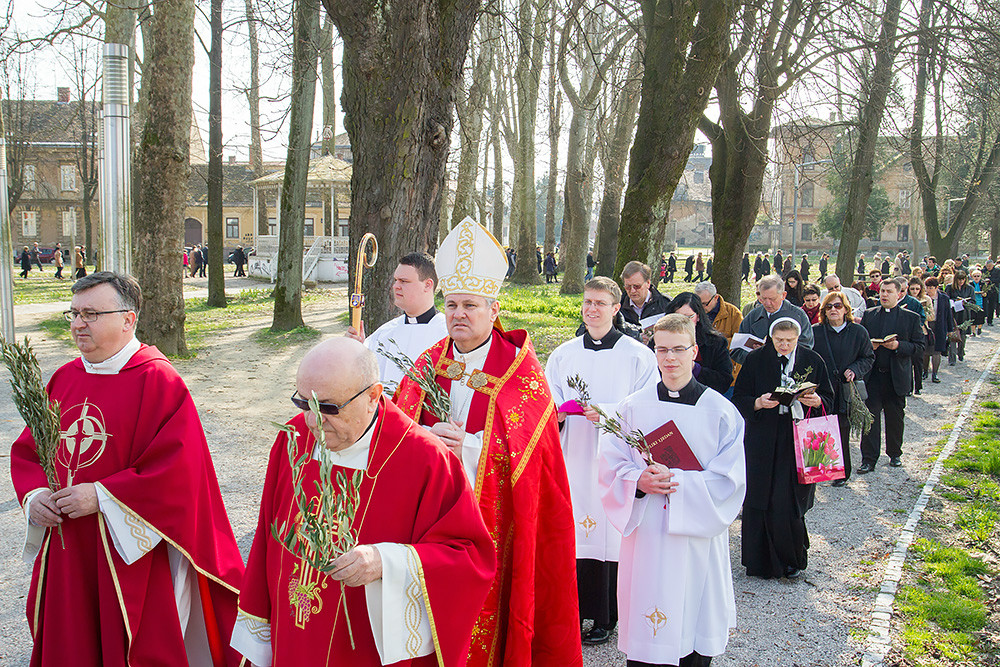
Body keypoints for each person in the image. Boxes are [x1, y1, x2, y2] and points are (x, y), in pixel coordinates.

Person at [12, 271, 245, 665]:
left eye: (91, 314)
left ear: (128, 319)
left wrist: (101, 496)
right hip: (67, 547)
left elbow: (178, 473)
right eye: (73, 314)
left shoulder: (159, 381)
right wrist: (35, 496)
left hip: (127, 552)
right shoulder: (65, 378)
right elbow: (29, 452)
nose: (78, 324)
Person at [232, 338, 495, 666]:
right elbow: (267, 537)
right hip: (295, 632)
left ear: (373, 396)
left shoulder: (425, 460)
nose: (313, 421)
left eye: (328, 408)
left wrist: (387, 561)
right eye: (303, 404)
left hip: (363, 648)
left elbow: (469, 557)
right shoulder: (294, 437)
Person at [394, 217, 581, 666]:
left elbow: (537, 463)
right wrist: (421, 440)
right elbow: (397, 434)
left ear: (494, 310)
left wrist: (470, 448)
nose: (458, 314)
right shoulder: (427, 361)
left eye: (470, 305)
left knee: (483, 625)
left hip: (492, 523)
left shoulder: (522, 374)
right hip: (429, 520)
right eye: (452, 304)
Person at [599, 314, 746, 667]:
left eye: (679, 349)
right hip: (648, 533)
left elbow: (730, 482)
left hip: (696, 537)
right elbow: (610, 463)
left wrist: (678, 483)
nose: (670, 358)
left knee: (692, 630)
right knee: (647, 637)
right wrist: (638, 481)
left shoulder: (721, 412)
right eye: (662, 349)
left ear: (694, 351)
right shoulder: (632, 406)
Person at [545, 277, 658, 646]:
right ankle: (573, 612)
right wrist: (558, 415)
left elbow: (647, 407)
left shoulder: (637, 355)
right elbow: (549, 399)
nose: (592, 309)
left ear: (615, 309)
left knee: (609, 535)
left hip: (615, 460)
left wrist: (607, 413)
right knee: (575, 534)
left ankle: (606, 616)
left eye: (600, 303)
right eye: (587, 302)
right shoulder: (563, 354)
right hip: (574, 455)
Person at [733, 317, 834, 579]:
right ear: (771, 338)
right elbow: (740, 397)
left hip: (798, 439)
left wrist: (817, 399)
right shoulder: (756, 360)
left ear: (798, 339)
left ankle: (791, 559)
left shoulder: (812, 361)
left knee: (788, 499)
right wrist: (757, 403)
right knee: (759, 497)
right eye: (779, 341)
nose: (785, 345)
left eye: (790, 341)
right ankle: (757, 561)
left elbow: (831, 398)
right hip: (763, 438)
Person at [346, 252, 448, 396]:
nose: (395, 286)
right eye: (395, 280)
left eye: (404, 281)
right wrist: (357, 348)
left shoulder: (447, 334)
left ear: (427, 285)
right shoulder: (385, 332)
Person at [857, 278, 924, 472]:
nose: (884, 295)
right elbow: (861, 343)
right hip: (874, 376)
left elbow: (919, 347)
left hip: (896, 376)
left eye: (888, 292)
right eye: (882, 291)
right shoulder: (870, 315)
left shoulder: (910, 318)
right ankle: (869, 459)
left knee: (895, 418)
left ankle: (895, 454)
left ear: (899, 294)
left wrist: (898, 346)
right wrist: (870, 344)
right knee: (870, 419)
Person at [812, 291, 875, 487]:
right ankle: (821, 470)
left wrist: (854, 370)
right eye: (829, 307)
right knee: (821, 429)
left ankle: (841, 473)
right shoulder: (816, 331)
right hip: (823, 389)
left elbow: (868, 357)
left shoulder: (858, 332)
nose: (833, 310)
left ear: (846, 309)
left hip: (846, 390)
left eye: (837, 306)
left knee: (842, 430)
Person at [730, 275, 815, 366]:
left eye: (772, 299)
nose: (767, 303)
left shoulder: (798, 315)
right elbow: (736, 351)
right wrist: (757, 355)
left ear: (783, 295)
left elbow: (806, 347)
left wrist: (778, 352)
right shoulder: (753, 316)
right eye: (763, 298)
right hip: (760, 372)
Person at [665, 292, 734, 395]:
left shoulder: (715, 342)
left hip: (704, 399)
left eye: (689, 317)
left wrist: (695, 368)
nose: (682, 322)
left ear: (698, 317)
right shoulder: (660, 340)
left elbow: (724, 380)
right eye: (677, 317)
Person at [619, 260, 671, 334]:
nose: (632, 291)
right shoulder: (616, 307)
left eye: (637, 286)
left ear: (648, 283)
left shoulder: (666, 304)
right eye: (628, 287)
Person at [923, 277, 953, 384]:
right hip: (927, 325)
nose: (929, 290)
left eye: (931, 288)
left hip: (939, 326)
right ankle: (925, 371)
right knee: (926, 350)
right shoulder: (923, 298)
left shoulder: (944, 298)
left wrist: (950, 329)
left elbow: (948, 315)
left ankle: (935, 373)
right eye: (927, 287)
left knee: (937, 351)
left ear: (936, 288)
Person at [907, 277, 932, 395]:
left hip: (921, 331)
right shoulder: (905, 300)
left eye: (917, 289)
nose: (915, 291)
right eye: (912, 289)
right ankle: (909, 387)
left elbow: (931, 316)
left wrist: (924, 314)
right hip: (908, 333)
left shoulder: (926, 299)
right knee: (908, 362)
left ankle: (918, 386)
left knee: (918, 361)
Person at [946, 270, 973, 364]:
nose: (961, 281)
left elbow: (972, 301)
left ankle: (961, 352)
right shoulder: (950, 287)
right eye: (959, 279)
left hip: (964, 315)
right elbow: (947, 299)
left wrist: (965, 302)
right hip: (953, 314)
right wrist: (954, 300)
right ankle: (952, 359)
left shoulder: (969, 288)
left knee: (963, 336)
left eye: (963, 279)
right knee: (952, 336)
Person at [970, 268, 985, 336]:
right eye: (975, 276)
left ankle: (979, 328)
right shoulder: (970, 284)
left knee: (981, 317)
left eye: (978, 276)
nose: (976, 277)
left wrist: (984, 294)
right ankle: (973, 332)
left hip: (981, 303)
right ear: (972, 277)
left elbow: (987, 293)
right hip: (973, 303)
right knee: (973, 318)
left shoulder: (983, 283)